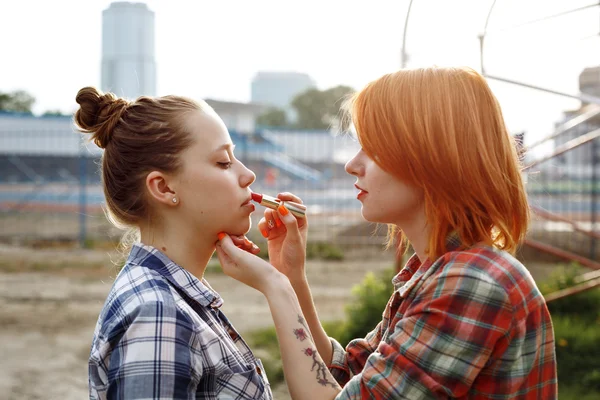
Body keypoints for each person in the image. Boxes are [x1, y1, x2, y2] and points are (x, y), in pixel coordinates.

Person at [215, 66, 558, 399]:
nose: (352, 165)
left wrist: (275, 290)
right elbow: (348, 376)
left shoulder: (471, 283)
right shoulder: (435, 271)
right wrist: (290, 277)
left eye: (374, 149)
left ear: (432, 158)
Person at [75, 87, 273, 399]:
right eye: (224, 162)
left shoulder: (175, 300)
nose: (247, 175)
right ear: (164, 187)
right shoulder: (158, 314)